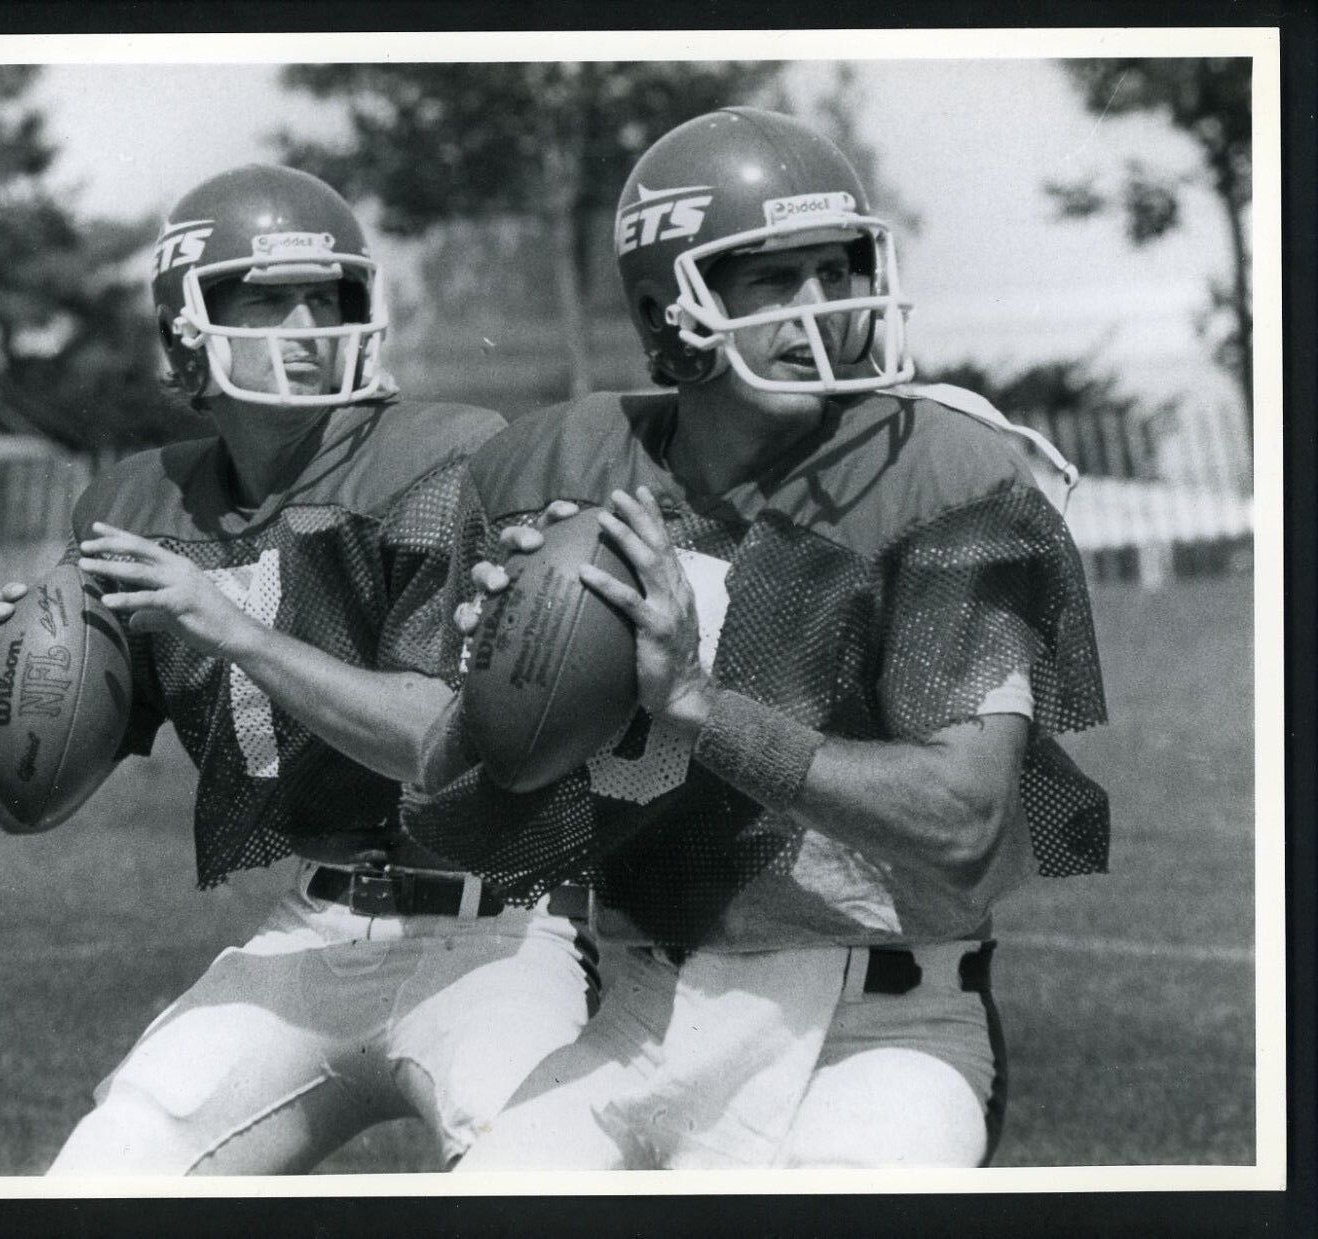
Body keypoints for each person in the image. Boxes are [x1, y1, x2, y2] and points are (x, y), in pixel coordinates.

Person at [400, 108, 1110, 1169]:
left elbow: (963, 817)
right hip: (643, 1019)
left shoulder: (937, 471)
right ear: (663, 310)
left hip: (875, 1031)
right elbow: (442, 824)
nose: (824, 306)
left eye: (839, 269)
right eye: (775, 278)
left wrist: (697, 705)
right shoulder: (559, 468)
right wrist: (502, 684)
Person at [0, 164, 597, 1175]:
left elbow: (434, 740)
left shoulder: (441, 458)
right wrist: (12, 689)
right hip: (318, 925)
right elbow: (24, 808)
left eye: (329, 296)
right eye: (268, 298)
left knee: (536, 1171)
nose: (308, 323)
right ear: (186, 330)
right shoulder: (134, 499)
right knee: (108, 1167)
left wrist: (228, 627)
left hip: (498, 936)